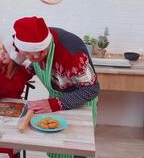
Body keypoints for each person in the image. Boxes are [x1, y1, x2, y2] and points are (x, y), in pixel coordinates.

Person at [13, 16, 99, 158]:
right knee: (56, 149)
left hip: (80, 103)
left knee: (75, 150)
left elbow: (92, 89)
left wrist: (55, 104)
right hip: (55, 101)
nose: (36, 57)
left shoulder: (72, 55)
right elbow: (32, 68)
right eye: (28, 54)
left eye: (42, 52)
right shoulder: (27, 42)